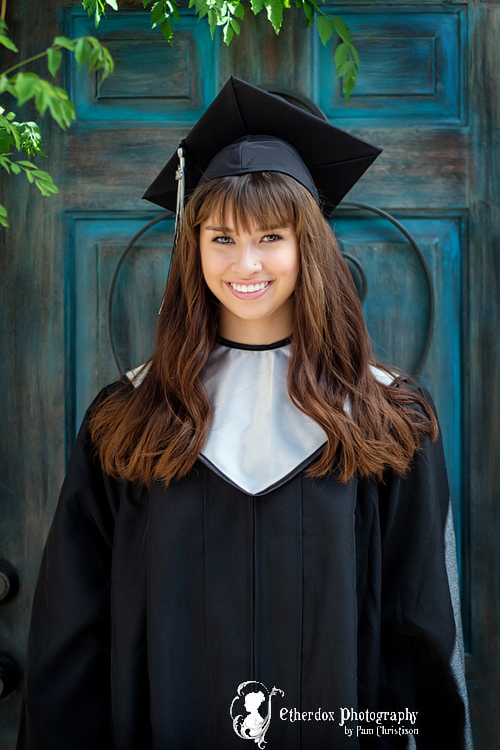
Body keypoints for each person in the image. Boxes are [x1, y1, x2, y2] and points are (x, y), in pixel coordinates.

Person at [17, 78, 473, 749]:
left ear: (307, 245)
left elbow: (421, 632)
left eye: (271, 235)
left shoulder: (386, 420)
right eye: (221, 237)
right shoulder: (130, 420)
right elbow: (73, 636)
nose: (246, 263)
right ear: (193, 245)